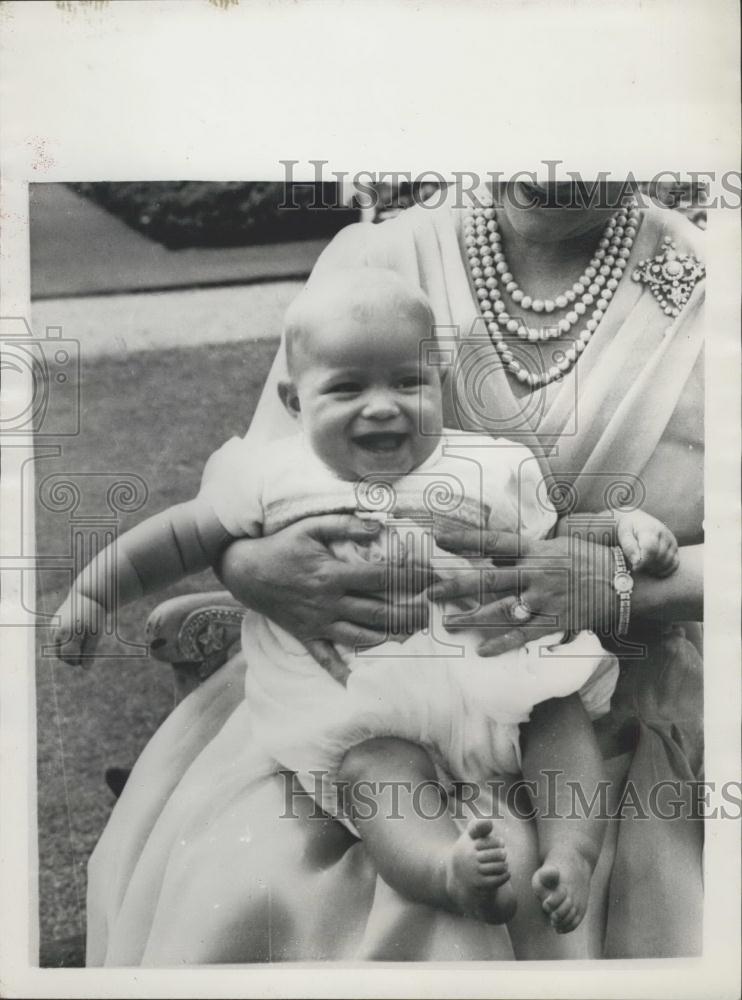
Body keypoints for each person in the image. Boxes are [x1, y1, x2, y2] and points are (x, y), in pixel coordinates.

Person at [84, 182, 704, 964]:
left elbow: (558, 524)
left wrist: (615, 574)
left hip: (585, 674)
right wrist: (252, 570)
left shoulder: (710, 275)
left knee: (566, 751)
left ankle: (568, 849)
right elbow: (226, 513)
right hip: (360, 683)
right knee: (294, 852)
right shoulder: (377, 260)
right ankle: (439, 864)